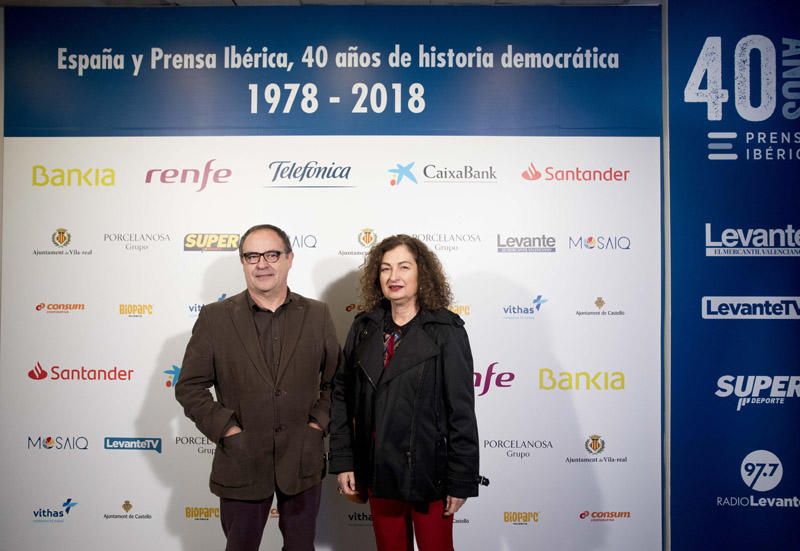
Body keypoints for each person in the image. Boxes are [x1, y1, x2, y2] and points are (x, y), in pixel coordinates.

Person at [175, 224, 340, 551]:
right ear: (243, 262)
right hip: (241, 460)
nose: (261, 264)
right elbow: (190, 387)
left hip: (302, 460)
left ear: (289, 259)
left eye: (271, 254)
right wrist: (228, 430)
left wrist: (316, 424)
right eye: (252, 256)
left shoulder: (318, 315)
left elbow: (338, 381)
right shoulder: (214, 318)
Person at [329, 234, 484, 551]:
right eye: (385, 269)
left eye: (403, 267)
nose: (393, 277)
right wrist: (344, 460)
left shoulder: (447, 330)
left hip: (431, 474)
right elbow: (342, 397)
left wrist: (461, 479)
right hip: (377, 470)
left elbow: (461, 412)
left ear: (421, 273)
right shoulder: (364, 327)